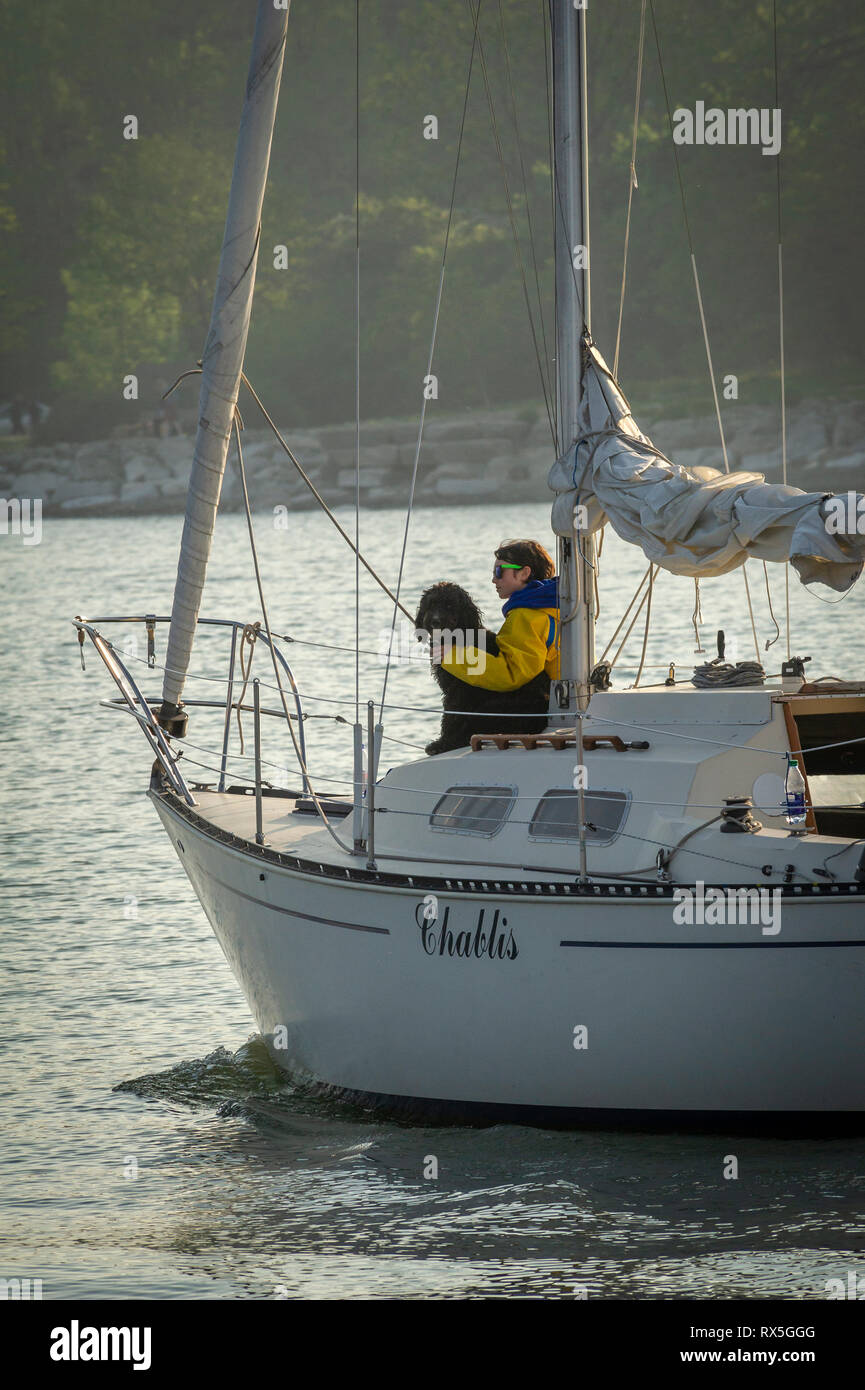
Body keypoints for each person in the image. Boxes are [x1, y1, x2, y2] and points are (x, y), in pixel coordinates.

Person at [439, 538, 559, 690]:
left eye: (499, 571)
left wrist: (452, 656)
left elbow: (510, 672)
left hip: (567, 701)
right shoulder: (562, 604)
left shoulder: (527, 616)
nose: (493, 580)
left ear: (524, 573)